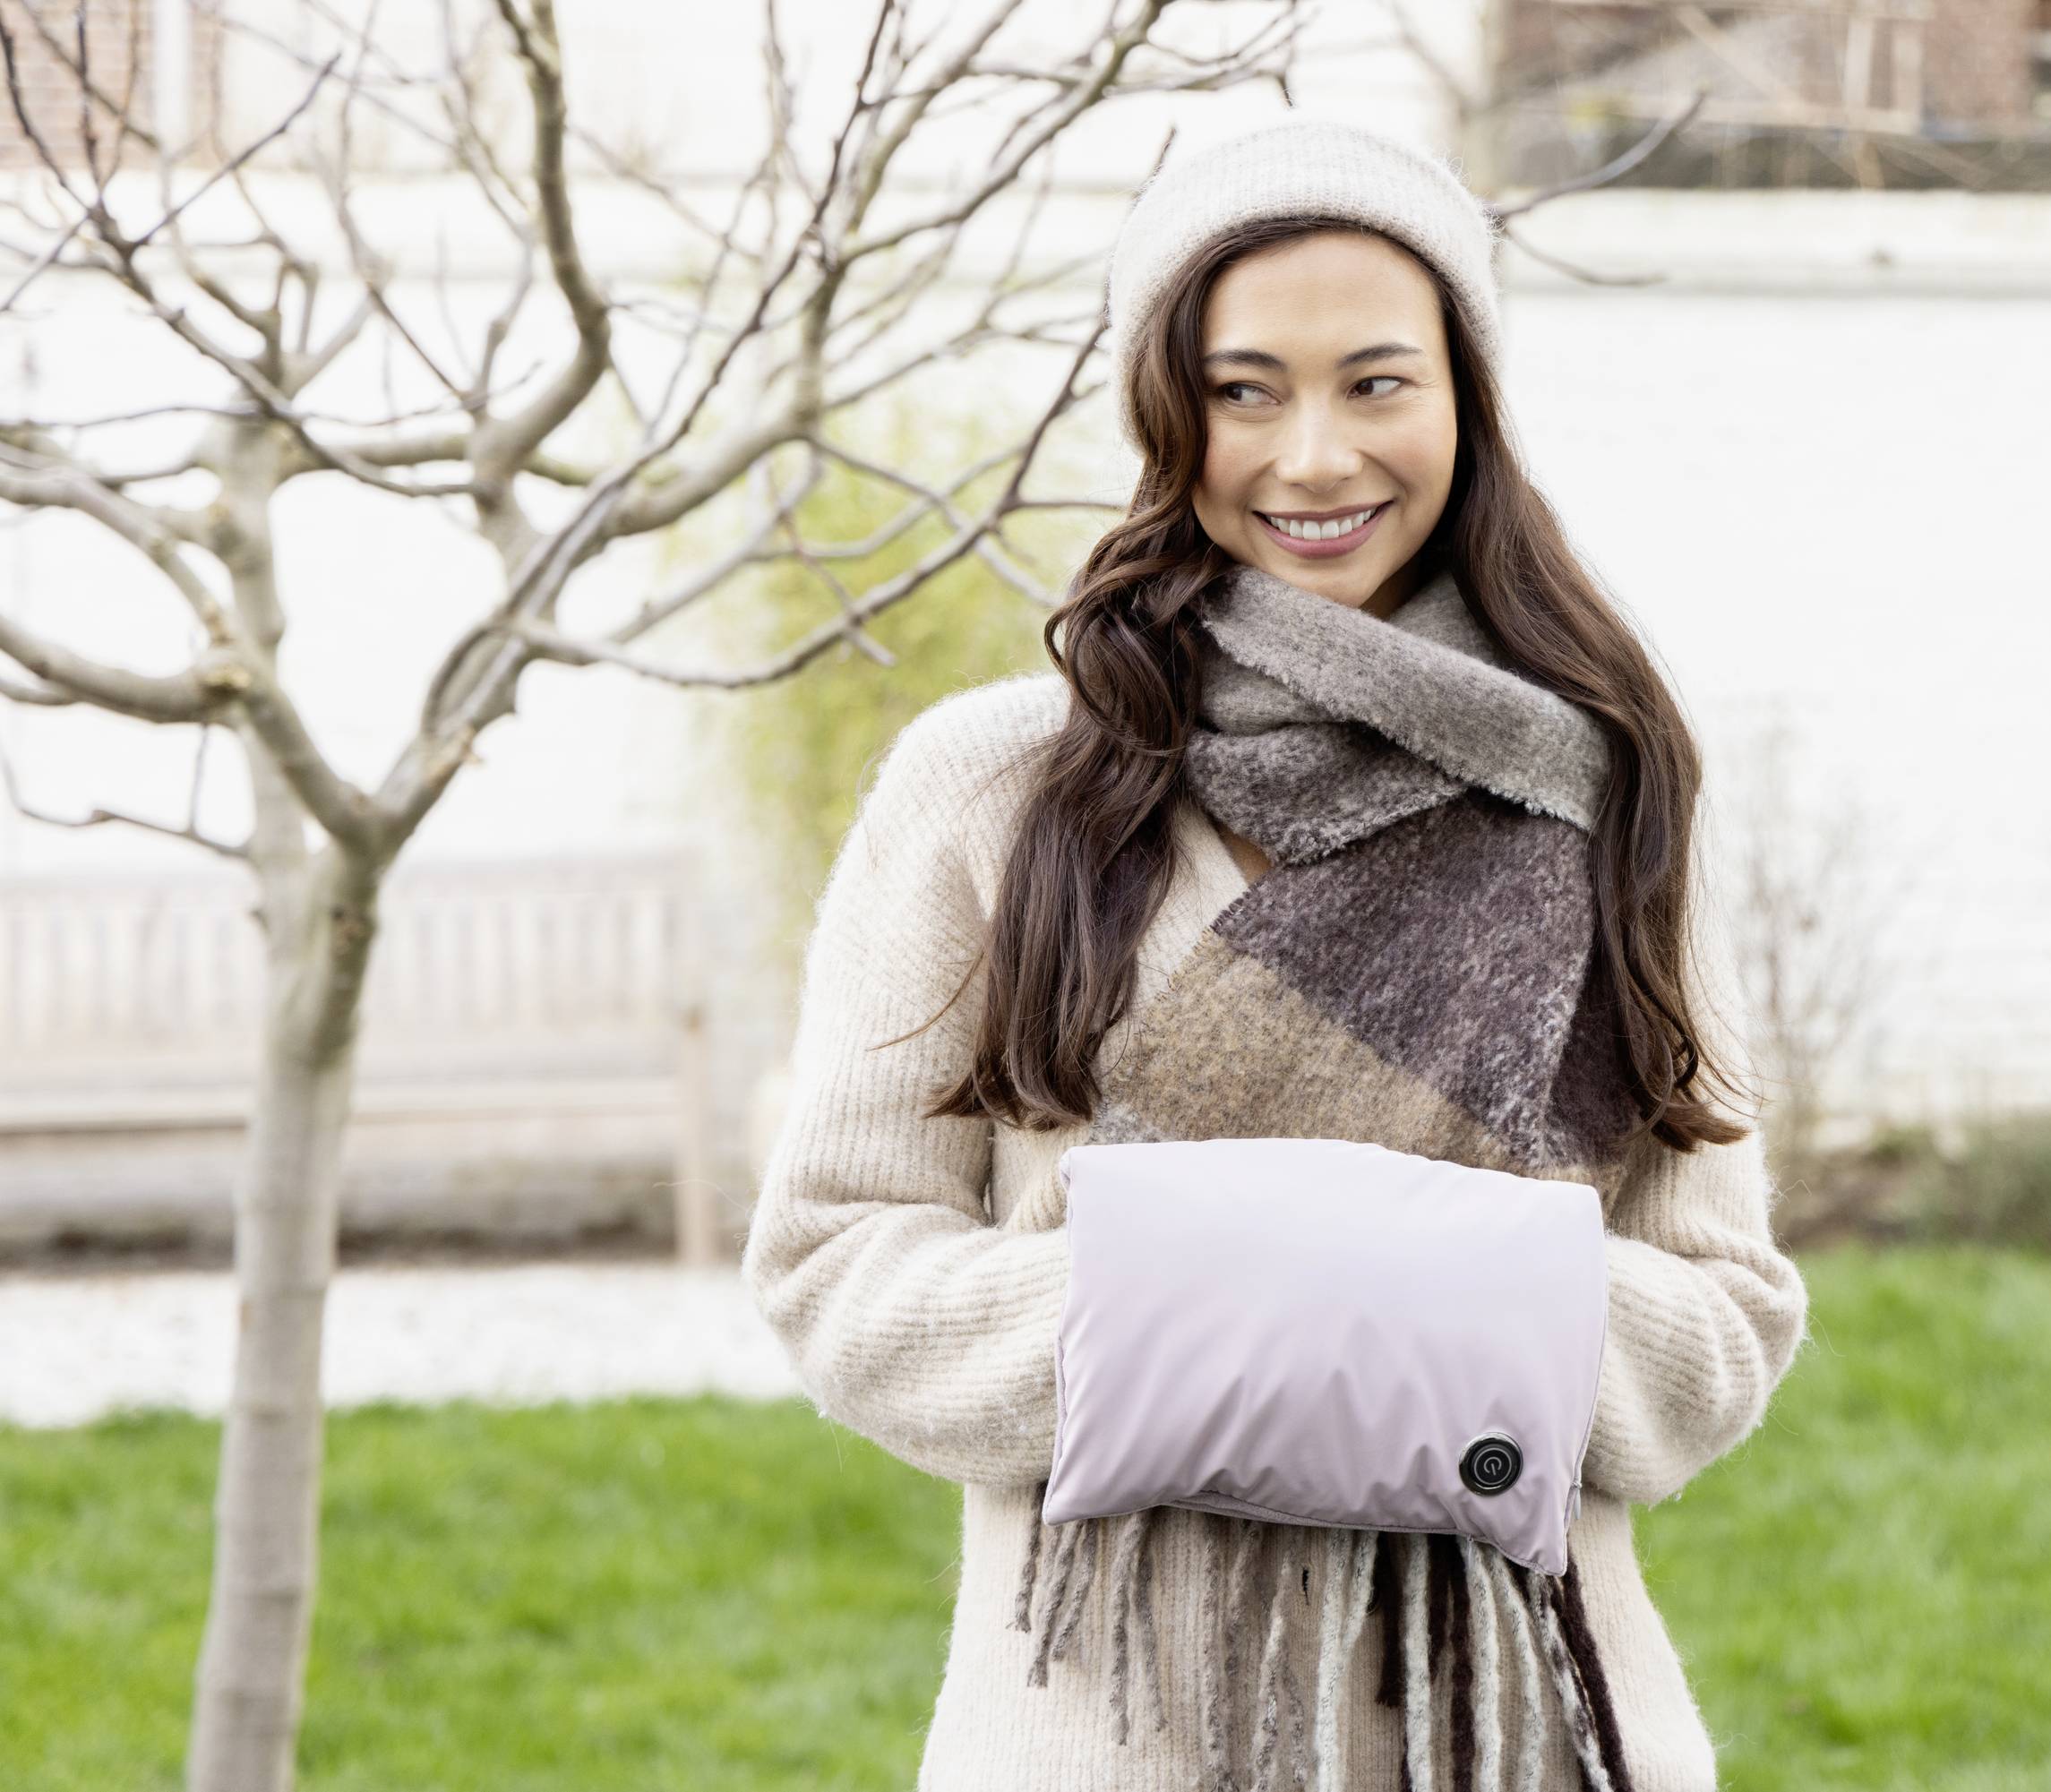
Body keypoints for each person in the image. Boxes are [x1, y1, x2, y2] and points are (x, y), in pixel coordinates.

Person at [743, 112, 1812, 1791]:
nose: (1314, 457)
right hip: (1099, 1742)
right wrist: (1259, 1297)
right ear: (1165, 412)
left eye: (1377, 382)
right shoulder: (1000, 790)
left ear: (1466, 401)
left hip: (1521, 1740)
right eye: (1246, 390)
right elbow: (839, 1264)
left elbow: (1722, 1314)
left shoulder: (1601, 794)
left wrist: (1372, 1302)